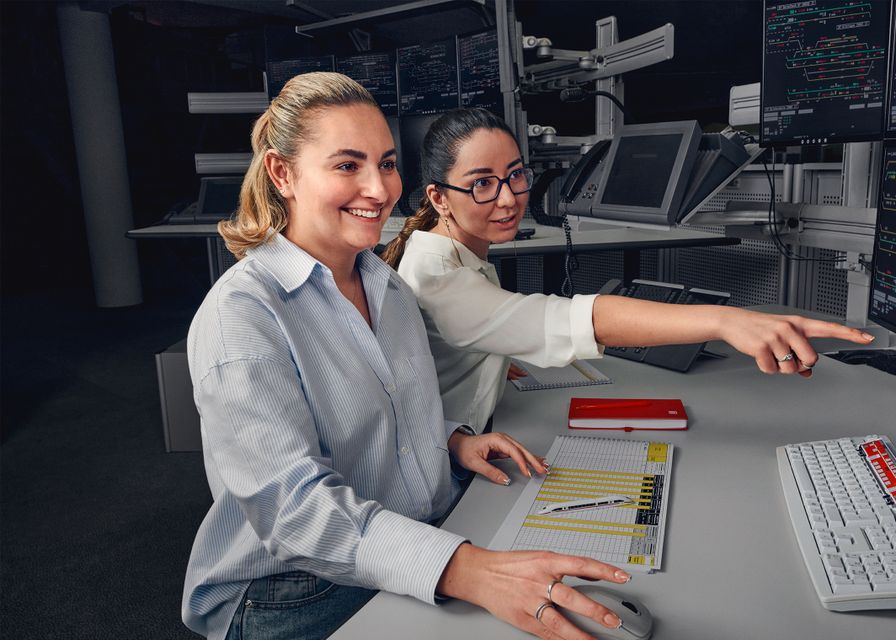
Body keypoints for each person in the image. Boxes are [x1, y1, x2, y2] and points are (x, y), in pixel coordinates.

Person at [183, 73, 633, 640]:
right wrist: (465, 569)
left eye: (387, 163)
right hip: (291, 586)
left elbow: (380, 407)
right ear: (283, 173)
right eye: (347, 166)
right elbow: (293, 514)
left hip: (408, 528)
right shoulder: (242, 316)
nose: (378, 188)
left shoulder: (385, 287)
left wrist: (449, 438)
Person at [380, 108, 876, 433]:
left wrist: (485, 356)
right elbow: (574, 317)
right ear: (439, 198)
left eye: (515, 175)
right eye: (483, 184)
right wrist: (726, 320)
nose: (509, 198)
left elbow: (473, 328)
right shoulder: (438, 278)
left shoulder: (447, 251)